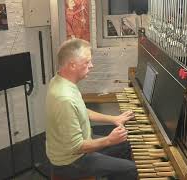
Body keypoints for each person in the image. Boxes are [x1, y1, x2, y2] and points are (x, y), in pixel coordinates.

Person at [46, 38, 137, 180]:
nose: (92, 65)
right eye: (87, 62)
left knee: (126, 144)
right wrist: (109, 140)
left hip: (79, 146)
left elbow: (81, 110)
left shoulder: (60, 80)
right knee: (132, 170)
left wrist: (114, 119)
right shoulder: (64, 98)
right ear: (72, 65)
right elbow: (76, 147)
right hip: (70, 162)